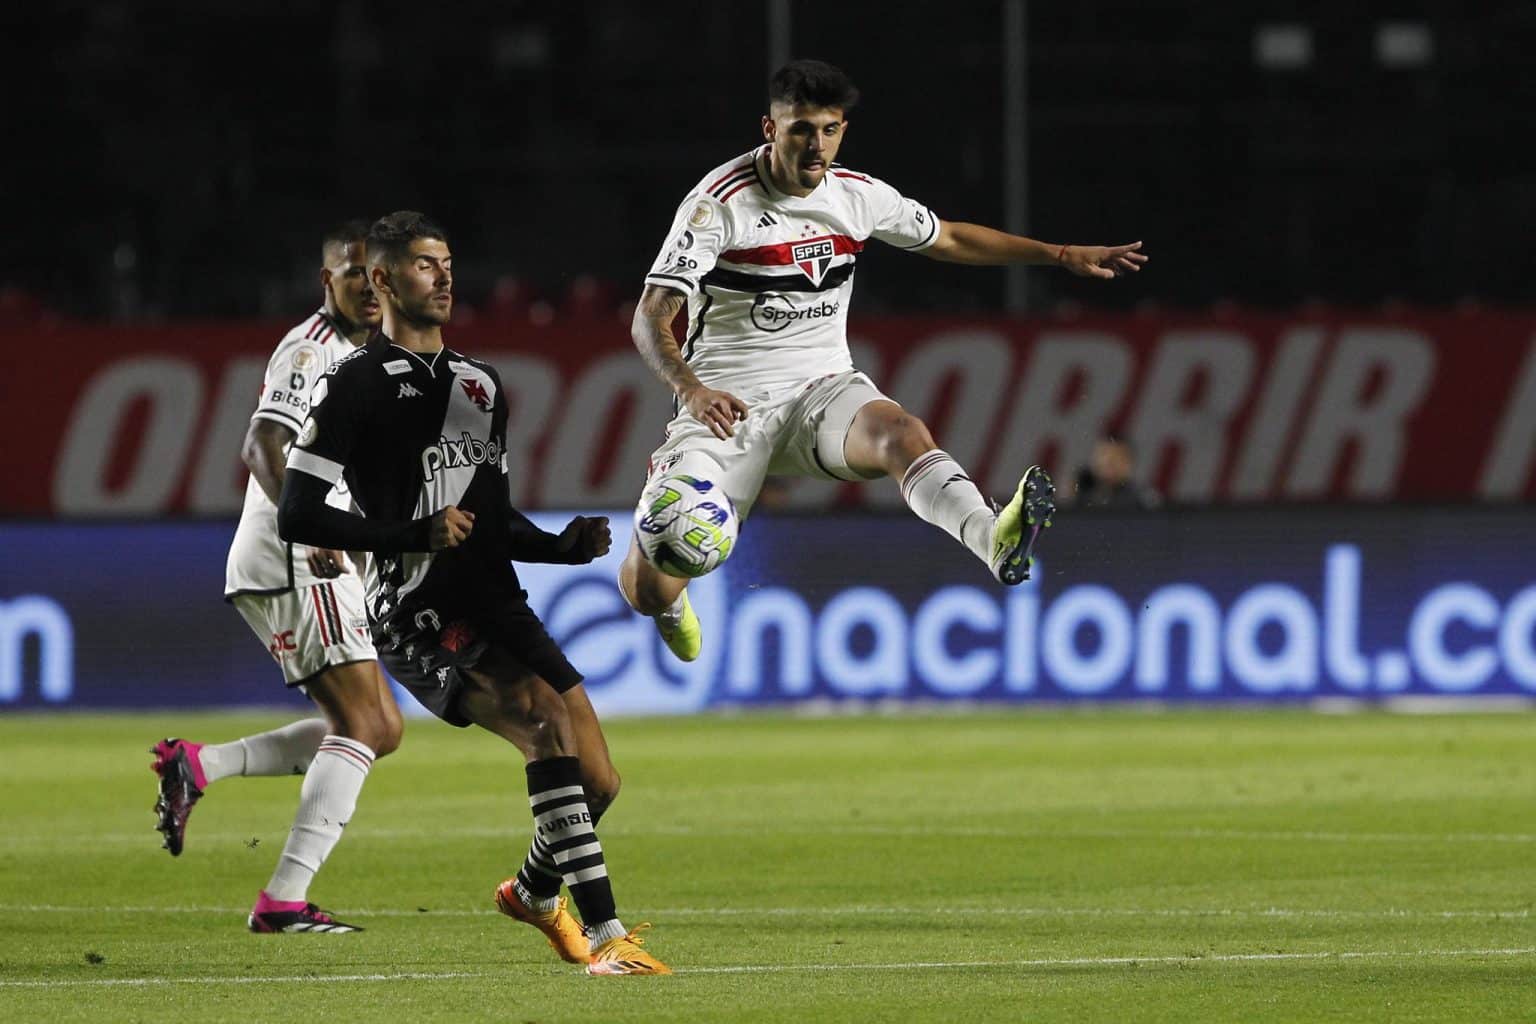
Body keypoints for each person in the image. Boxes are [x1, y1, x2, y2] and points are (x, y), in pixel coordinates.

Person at [619, 59, 1148, 660]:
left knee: (901, 432)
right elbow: (650, 316)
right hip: (728, 406)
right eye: (800, 130)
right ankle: (669, 604)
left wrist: (1057, 253)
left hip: (821, 389)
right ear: (770, 129)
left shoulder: (858, 196)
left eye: (829, 129)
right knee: (646, 583)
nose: (816, 145)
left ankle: (992, 539)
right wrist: (690, 389)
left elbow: (948, 237)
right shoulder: (718, 206)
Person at [277, 210, 669, 976]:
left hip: (496, 597)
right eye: (425, 264)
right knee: (542, 722)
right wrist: (410, 536)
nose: (445, 276)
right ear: (383, 279)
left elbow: (486, 516)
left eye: (448, 261)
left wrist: (560, 546)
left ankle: (530, 893)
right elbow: (298, 510)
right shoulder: (353, 384)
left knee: (599, 780)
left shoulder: (480, 384)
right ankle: (607, 937)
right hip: (416, 607)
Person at [151, 220, 401, 935]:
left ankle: (201, 765)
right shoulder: (310, 349)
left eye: (375, 273)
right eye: (352, 273)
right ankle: (283, 900)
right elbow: (262, 442)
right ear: (329, 282)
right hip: (299, 553)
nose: (367, 285)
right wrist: (313, 522)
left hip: (319, 553)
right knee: (364, 724)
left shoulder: (371, 357)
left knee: (377, 728)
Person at [1073, 436, 1161, 509]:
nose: (1108, 462)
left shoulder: (1142, 499)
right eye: (1103, 455)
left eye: (1116, 457)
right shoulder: (1081, 493)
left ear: (1129, 463)